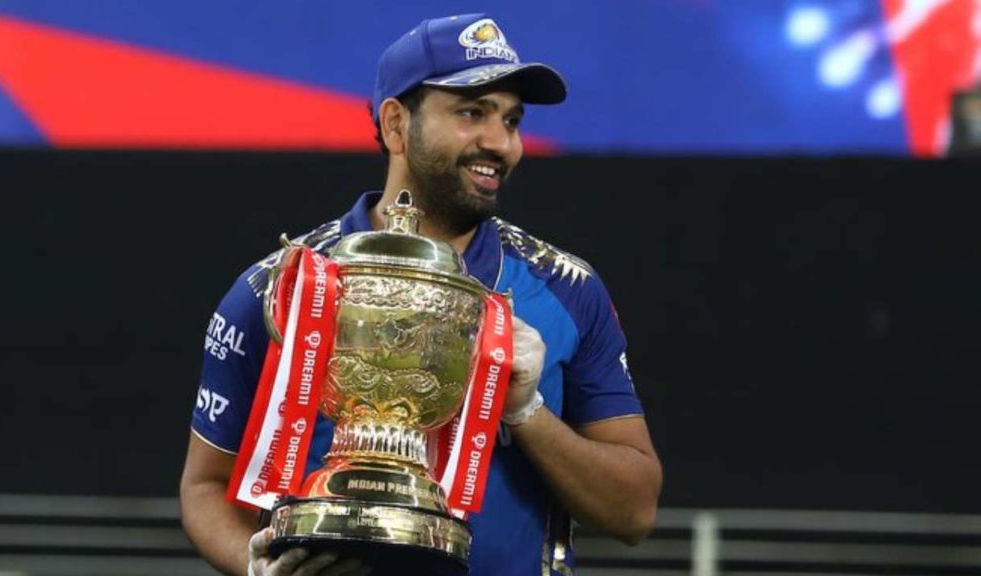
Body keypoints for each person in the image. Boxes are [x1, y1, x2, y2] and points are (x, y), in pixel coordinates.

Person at [180, 13, 662, 576]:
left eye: (511, 120)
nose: (500, 142)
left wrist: (526, 412)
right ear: (395, 125)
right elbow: (204, 486)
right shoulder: (281, 289)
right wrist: (254, 567)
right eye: (472, 112)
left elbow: (634, 511)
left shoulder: (567, 290)